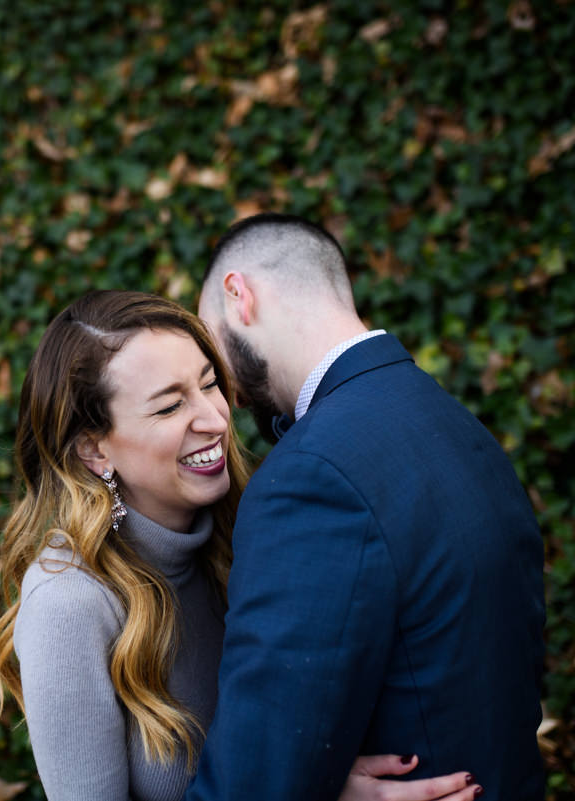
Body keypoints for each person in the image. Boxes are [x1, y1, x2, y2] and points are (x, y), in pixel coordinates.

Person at [0, 290, 484, 801]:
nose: (215, 418)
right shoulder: (68, 604)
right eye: (170, 405)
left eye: (209, 383)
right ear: (94, 449)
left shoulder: (256, 530)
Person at [185, 214, 546, 801]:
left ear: (238, 295)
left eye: (209, 342)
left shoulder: (309, 478)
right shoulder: (461, 427)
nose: (224, 387)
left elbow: (257, 781)